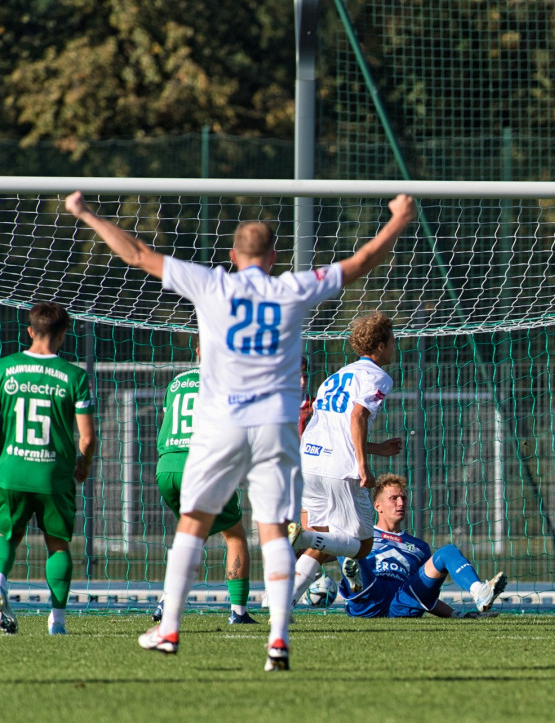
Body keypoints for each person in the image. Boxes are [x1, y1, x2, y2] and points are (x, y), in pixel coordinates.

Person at [64, 189, 417, 670]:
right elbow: (363, 261)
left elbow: (138, 253)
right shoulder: (291, 287)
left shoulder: (212, 284)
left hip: (224, 422)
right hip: (274, 425)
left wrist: (86, 212)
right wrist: (397, 218)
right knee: (272, 530)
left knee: (193, 521)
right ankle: (277, 641)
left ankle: (169, 629)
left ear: (233, 257)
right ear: (273, 258)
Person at [288, 312, 403, 605]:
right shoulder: (378, 376)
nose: (394, 347)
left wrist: (376, 448)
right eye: (391, 341)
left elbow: (333, 427)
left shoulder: (335, 377)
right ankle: (301, 540)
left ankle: (281, 603)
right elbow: (357, 415)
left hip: (310, 461)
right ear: (379, 346)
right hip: (339, 469)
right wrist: (364, 465)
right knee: (363, 546)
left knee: (325, 541)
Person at [0, 302, 97, 636]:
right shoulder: (75, 376)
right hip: (54, 474)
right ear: (63, 335)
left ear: (29, 331)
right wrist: (82, 464)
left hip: (11, 469)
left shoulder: (5, 368)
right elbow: (87, 436)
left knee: (7, 537)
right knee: (58, 543)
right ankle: (57, 621)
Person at [153, 344, 256, 625]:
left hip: (167, 468)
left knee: (192, 534)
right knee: (234, 534)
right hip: (201, 466)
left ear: (198, 349)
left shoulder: (177, 382)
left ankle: (167, 599)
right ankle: (238, 612)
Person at [338, 473, 506, 618]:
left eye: (403, 498)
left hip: (403, 602)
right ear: (377, 506)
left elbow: (427, 596)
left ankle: (480, 592)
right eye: (393, 498)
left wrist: (458, 615)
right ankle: (356, 579)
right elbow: (325, 552)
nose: (401, 503)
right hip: (371, 595)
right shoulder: (365, 535)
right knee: (345, 540)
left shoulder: (419, 546)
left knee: (448, 551)